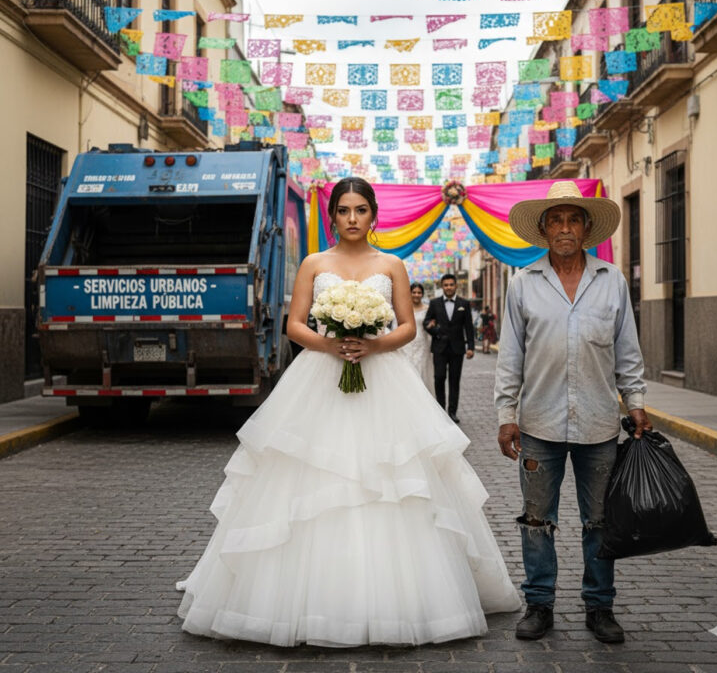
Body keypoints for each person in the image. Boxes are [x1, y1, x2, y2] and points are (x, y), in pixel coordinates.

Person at [177, 177, 520, 647]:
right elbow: (295, 324)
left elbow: (405, 328)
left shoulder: (392, 264)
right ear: (333, 216)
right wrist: (332, 344)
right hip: (320, 377)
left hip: (384, 379)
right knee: (306, 478)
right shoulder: (316, 264)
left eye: (361, 210)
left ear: (374, 215)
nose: (353, 218)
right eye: (344, 210)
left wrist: (372, 344)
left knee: (397, 483)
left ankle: (404, 600)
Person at [494, 180, 651, 645]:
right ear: (544, 229)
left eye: (573, 219)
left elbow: (628, 350)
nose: (565, 227)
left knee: (600, 521)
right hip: (538, 422)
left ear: (586, 228)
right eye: (556, 220)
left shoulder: (612, 280)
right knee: (537, 520)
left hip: (600, 423)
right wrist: (506, 413)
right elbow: (510, 357)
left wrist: (636, 402)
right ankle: (539, 604)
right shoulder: (523, 283)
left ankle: (599, 607)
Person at [424, 274, 475, 423]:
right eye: (446, 285)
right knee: (439, 378)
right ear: (442, 287)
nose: (448, 287)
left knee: (454, 380)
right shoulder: (434, 303)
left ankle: (452, 412)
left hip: (457, 349)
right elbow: (426, 322)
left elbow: (469, 327)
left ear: (456, 286)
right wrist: (436, 331)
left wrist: (470, 347)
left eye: (451, 284)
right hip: (439, 347)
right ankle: (441, 410)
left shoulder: (464, 303)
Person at [400, 282, 435, 395]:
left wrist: (432, 325)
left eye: (419, 292)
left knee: (422, 371)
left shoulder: (428, 309)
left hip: (422, 344)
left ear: (422, 294)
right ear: (410, 293)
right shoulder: (404, 309)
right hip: (407, 344)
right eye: (414, 292)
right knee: (407, 371)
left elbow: (432, 324)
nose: (416, 294)